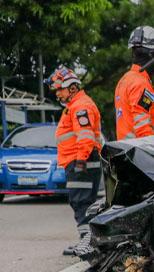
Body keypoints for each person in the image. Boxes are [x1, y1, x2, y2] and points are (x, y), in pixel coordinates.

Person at [46, 68, 104, 256]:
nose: (57, 93)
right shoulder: (76, 105)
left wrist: (80, 161)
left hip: (82, 162)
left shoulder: (80, 106)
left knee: (81, 202)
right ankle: (86, 241)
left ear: (71, 88)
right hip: (80, 161)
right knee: (82, 202)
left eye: (59, 89)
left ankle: (88, 243)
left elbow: (85, 135)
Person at [115, 25, 154, 141]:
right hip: (141, 153)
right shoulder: (140, 83)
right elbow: (142, 128)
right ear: (153, 55)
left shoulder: (125, 80)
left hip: (128, 151)